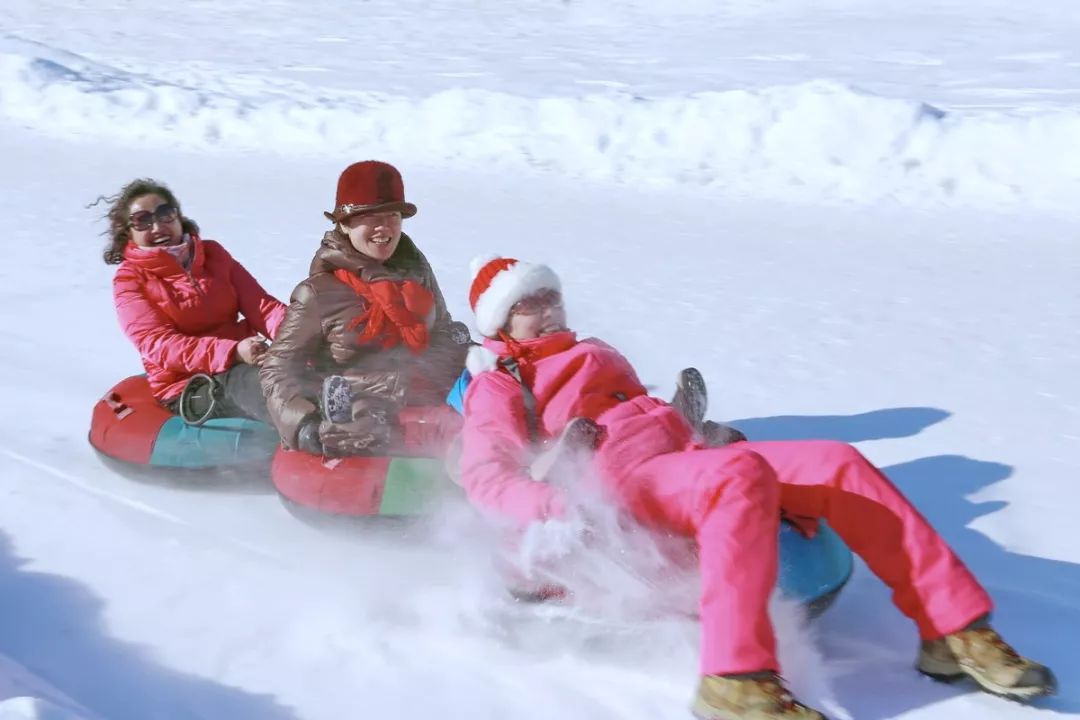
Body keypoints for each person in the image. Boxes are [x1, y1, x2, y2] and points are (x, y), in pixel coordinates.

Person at [456, 255, 1056, 720]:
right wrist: (558, 505)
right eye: (529, 304)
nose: (548, 308)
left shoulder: (594, 351)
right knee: (738, 475)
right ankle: (734, 681)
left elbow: (641, 412)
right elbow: (486, 476)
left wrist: (690, 427)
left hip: (681, 457)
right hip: (622, 483)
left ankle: (955, 632)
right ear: (501, 323)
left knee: (836, 460)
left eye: (551, 295)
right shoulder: (503, 383)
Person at [260, 161, 469, 457]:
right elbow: (278, 367)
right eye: (370, 217)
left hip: (426, 387)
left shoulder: (416, 271)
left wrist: (472, 360)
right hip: (366, 397)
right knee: (365, 423)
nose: (384, 228)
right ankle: (339, 423)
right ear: (344, 223)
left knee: (489, 387)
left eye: (393, 216)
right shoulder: (319, 293)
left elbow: (443, 330)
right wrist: (303, 424)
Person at [102, 179, 286, 424]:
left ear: (178, 217)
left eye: (165, 214)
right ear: (129, 232)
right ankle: (316, 443)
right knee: (259, 384)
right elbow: (159, 345)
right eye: (143, 220)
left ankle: (345, 417)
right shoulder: (130, 279)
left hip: (247, 360)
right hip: (188, 385)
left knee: (306, 364)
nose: (157, 227)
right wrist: (232, 353)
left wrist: (301, 334)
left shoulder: (213, 255)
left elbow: (263, 307)